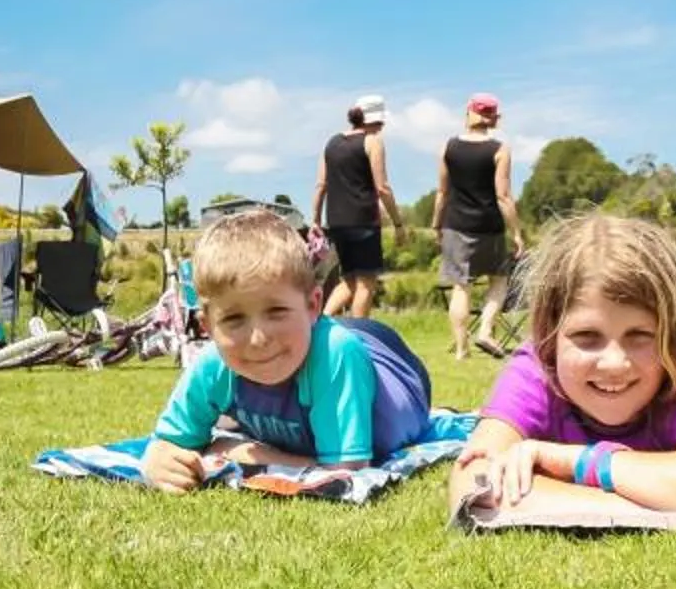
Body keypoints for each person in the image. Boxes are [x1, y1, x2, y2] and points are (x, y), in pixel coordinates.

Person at [455, 213, 676, 519]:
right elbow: (474, 486)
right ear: (550, 337)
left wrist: (577, 462)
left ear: (675, 336)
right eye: (586, 336)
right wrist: (649, 506)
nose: (614, 363)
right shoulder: (535, 371)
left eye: (640, 336)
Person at [141, 206, 434, 491]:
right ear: (207, 327)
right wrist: (161, 462)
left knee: (333, 342)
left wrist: (235, 451)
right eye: (232, 318)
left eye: (276, 311)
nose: (258, 338)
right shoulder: (212, 363)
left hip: (390, 359)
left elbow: (345, 474)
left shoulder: (335, 354)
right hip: (312, 340)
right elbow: (166, 446)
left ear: (313, 305)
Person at [436, 92, 524, 361]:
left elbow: (443, 192)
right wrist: (517, 233)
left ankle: (462, 350)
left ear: (468, 114)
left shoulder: (448, 147)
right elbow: (503, 196)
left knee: (461, 287)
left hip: (456, 224)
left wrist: (436, 225)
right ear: (493, 119)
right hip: (489, 227)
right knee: (499, 281)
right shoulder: (499, 149)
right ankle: (485, 330)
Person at [311, 93, 404, 318]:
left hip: (336, 222)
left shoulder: (331, 143)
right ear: (379, 120)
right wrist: (398, 223)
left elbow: (321, 185)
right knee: (366, 284)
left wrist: (315, 220)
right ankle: (360, 336)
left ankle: (320, 323)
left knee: (349, 281)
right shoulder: (372, 141)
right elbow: (382, 188)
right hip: (363, 221)